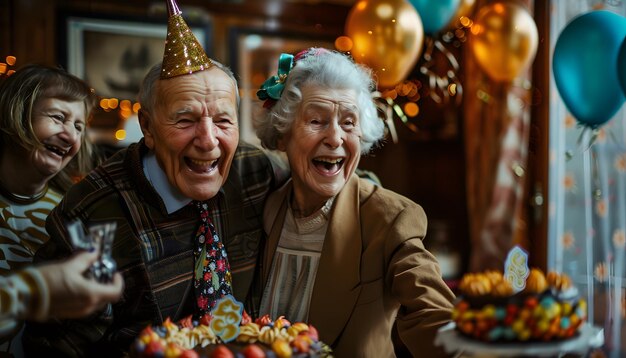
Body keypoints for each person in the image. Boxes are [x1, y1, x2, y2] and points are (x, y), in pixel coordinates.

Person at [23, 3, 280, 355]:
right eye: (185, 120)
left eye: (223, 121)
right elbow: (55, 350)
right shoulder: (91, 216)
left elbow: (329, 184)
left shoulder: (254, 170)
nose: (208, 141)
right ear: (148, 127)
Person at [252, 48, 455, 357]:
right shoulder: (266, 208)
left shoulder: (389, 219)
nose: (335, 138)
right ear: (283, 134)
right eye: (317, 120)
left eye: (348, 123)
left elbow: (436, 320)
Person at [0, 63, 123, 355]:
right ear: (17, 113)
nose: (70, 136)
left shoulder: (72, 215)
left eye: (79, 126)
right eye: (58, 117)